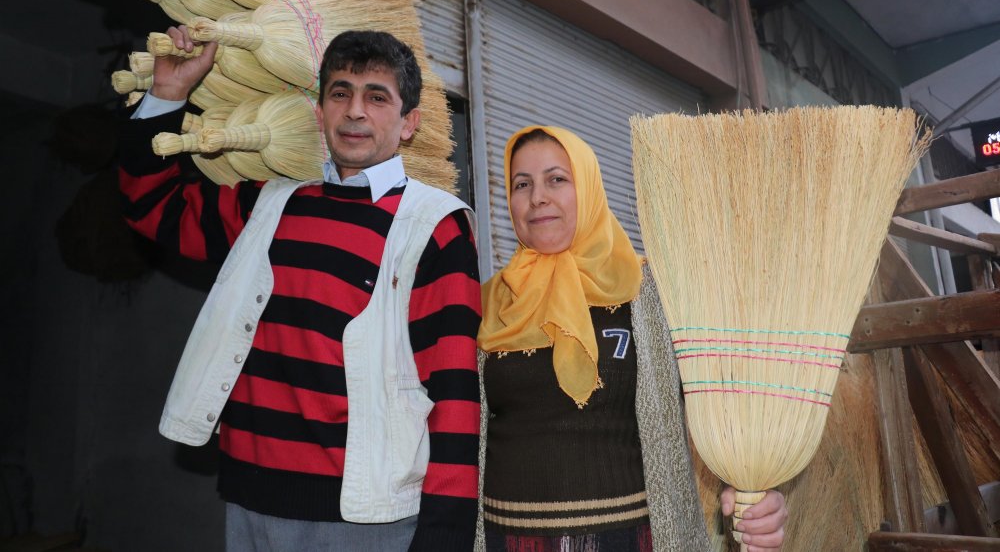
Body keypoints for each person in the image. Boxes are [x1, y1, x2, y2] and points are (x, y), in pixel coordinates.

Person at [118, 28, 481, 551]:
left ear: (408, 124)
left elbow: (453, 391)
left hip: (363, 523)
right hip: (248, 506)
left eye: (376, 97)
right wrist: (169, 93)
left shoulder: (433, 227)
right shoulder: (268, 206)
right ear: (320, 113)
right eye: (340, 93)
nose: (355, 111)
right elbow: (153, 208)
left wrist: (444, 536)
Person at [476, 125, 788, 551]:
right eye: (521, 184)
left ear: (588, 188)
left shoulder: (649, 293)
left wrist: (756, 485)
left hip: (631, 538)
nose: (537, 198)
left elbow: (724, 401)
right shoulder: (490, 302)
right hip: (509, 539)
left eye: (557, 180)